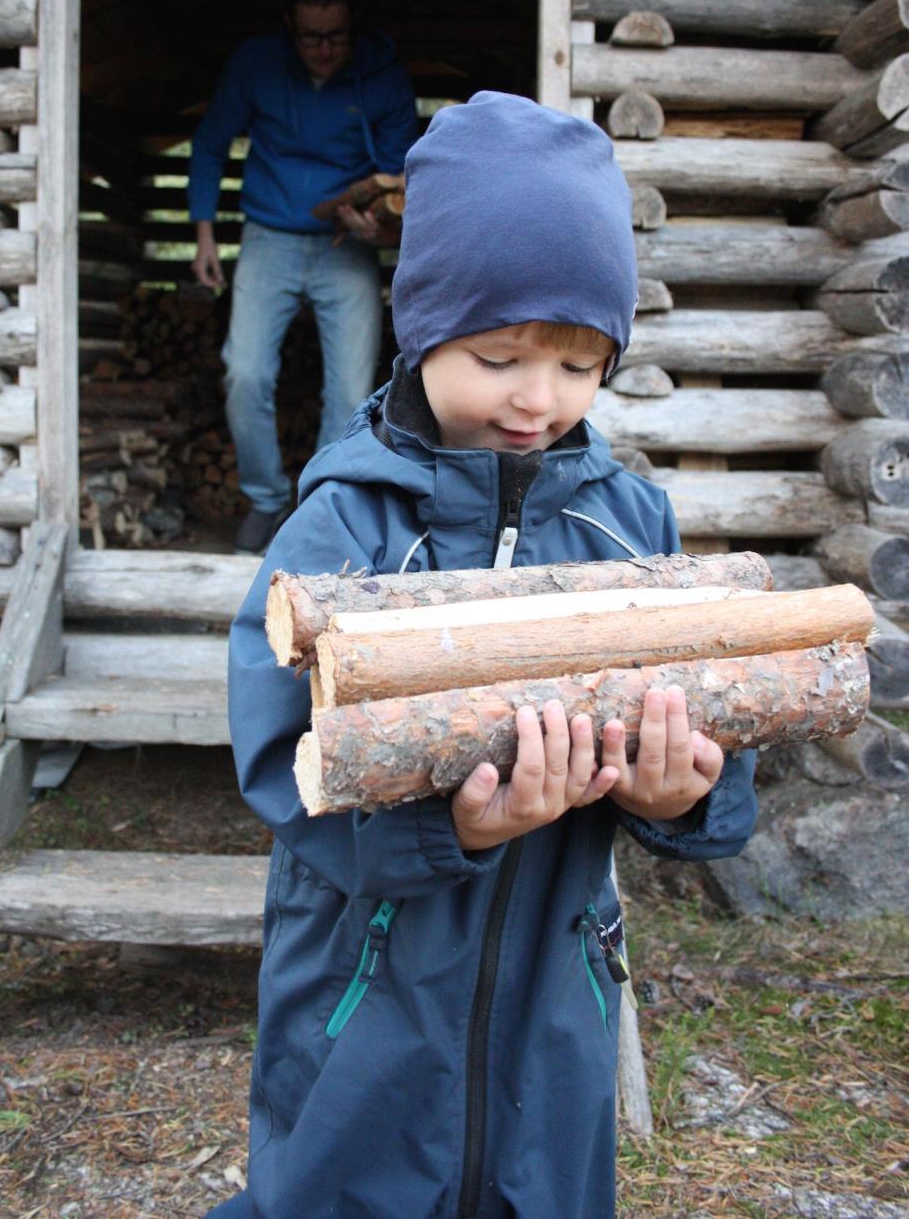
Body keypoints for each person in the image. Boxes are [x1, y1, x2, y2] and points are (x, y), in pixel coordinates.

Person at [208, 93, 758, 1219]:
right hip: (366, 984)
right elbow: (279, 753)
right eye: (499, 354)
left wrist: (685, 791)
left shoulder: (632, 524)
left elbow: (709, 709)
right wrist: (441, 824)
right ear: (422, 328)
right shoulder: (347, 528)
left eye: (578, 362)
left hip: (554, 992)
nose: (535, 397)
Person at [188, 0, 418, 555]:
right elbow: (211, 142)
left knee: (351, 389)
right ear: (289, 26)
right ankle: (266, 499)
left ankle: (318, 506)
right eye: (310, 36)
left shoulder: (385, 78)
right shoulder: (256, 64)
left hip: (346, 245)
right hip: (268, 236)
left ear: (354, 27)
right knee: (245, 372)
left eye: (336, 36)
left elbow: (401, 179)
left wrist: (378, 224)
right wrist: (206, 235)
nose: (322, 49)